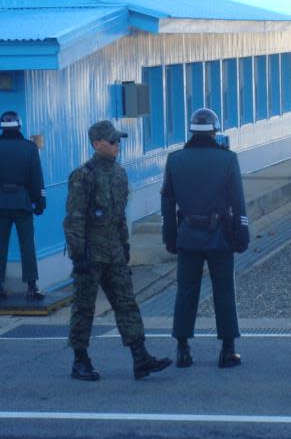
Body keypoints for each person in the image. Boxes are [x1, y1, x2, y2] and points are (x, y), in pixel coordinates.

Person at [63, 120, 172, 381]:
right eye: (112, 142)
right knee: (84, 306)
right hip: (91, 253)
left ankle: (140, 356)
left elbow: (120, 216)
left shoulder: (119, 174)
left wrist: (124, 247)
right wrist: (79, 256)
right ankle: (80, 359)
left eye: (118, 141)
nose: (117, 146)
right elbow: (74, 218)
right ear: (96, 143)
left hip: (113, 251)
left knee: (127, 302)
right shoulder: (83, 175)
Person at [161, 108, 250, 369]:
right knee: (223, 290)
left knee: (186, 291)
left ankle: (183, 348)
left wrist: (170, 237)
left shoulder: (175, 159)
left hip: (187, 235)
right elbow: (238, 202)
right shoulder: (227, 159)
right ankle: (227, 349)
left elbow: (167, 203)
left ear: (191, 131)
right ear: (215, 130)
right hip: (220, 235)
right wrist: (241, 234)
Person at [0, 111, 46, 301]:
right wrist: (40, 202)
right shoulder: (29, 148)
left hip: (0, 202)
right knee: (27, 244)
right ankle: (32, 286)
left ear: (1, 128)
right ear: (19, 126)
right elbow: (36, 178)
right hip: (22, 202)